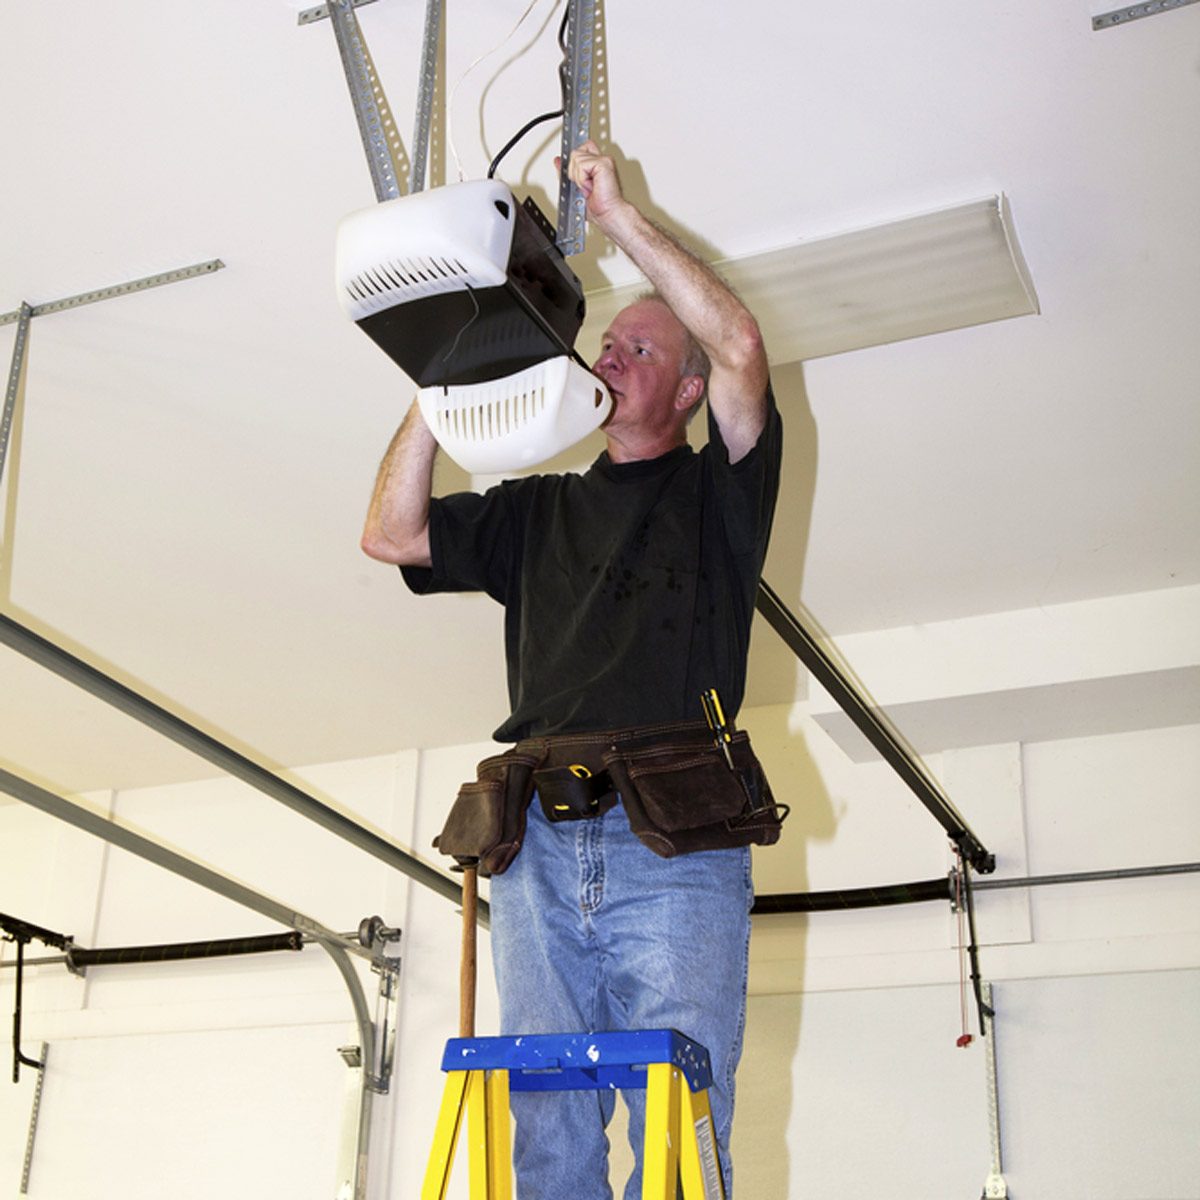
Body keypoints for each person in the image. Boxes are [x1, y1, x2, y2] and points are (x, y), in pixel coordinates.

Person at [361, 140, 783, 1199]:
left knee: (678, 1120)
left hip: (673, 836)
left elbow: (738, 340)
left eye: (642, 348)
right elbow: (391, 535)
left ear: (687, 393)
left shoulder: (718, 494)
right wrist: (444, 370)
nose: (613, 354)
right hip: (537, 840)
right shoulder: (534, 510)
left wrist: (622, 217)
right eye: (610, 340)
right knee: (543, 1127)